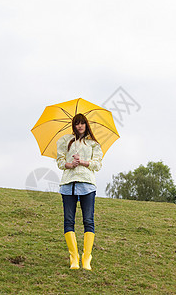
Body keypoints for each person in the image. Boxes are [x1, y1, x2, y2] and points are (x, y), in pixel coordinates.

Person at [56, 113, 103, 270]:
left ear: (86, 125)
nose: (80, 126)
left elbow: (97, 165)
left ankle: (86, 258)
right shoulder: (65, 141)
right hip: (68, 184)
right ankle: (74, 257)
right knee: (69, 220)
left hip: (87, 185)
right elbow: (60, 161)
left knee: (88, 220)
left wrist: (83, 162)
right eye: (77, 123)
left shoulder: (93, 144)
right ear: (74, 125)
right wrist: (70, 164)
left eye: (82, 123)